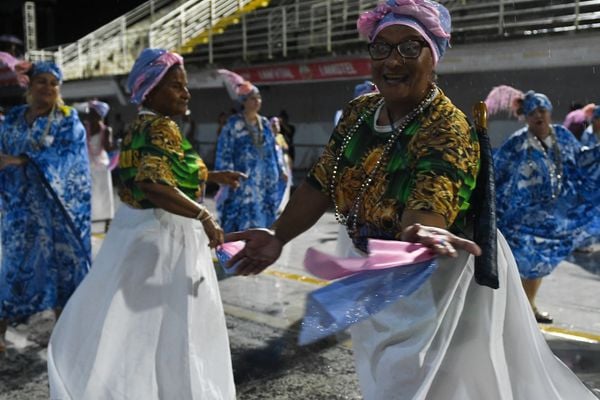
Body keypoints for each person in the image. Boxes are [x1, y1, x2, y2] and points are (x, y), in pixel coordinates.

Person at [224, 2, 598, 399]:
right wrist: (279, 235)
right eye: (381, 47)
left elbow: (430, 197)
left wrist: (421, 229)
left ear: (433, 57)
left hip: (439, 279)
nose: (392, 60)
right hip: (381, 275)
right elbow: (321, 182)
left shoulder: (447, 126)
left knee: (446, 387)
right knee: (387, 382)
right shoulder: (359, 113)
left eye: (409, 48)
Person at [47, 48, 243, 399]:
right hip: (164, 237)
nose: (186, 93)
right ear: (150, 89)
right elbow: (154, 185)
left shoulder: (144, 123)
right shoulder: (161, 127)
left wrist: (212, 175)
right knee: (176, 330)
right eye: (176, 86)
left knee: (134, 329)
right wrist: (203, 214)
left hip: (137, 231)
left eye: (185, 86)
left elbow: (161, 171)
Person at [0, 61, 91, 352]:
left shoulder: (67, 119)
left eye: (54, 83)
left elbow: (71, 158)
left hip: (58, 212)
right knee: (14, 269)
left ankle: (66, 336)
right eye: (42, 81)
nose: (49, 88)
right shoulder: (13, 118)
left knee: (65, 272)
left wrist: (23, 159)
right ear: (30, 84)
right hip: (20, 210)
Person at [492, 90, 600, 324]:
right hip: (520, 217)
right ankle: (518, 310)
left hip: (553, 216)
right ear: (526, 116)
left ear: (549, 112)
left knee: (539, 264)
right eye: (532, 111)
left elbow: (581, 160)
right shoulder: (517, 142)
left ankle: (528, 307)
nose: (538, 115)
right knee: (520, 264)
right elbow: (497, 171)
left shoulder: (562, 135)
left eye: (542, 110)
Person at [215, 69, 287, 232]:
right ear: (243, 102)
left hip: (263, 181)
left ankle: (255, 252)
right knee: (239, 221)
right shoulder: (233, 124)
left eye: (258, 97)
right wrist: (225, 175)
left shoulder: (265, 124)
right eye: (252, 98)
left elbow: (272, 148)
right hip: (242, 181)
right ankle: (235, 253)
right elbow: (224, 150)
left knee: (261, 220)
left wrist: (280, 169)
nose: (257, 101)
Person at [85, 99, 115, 231]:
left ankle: (108, 218)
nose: (89, 115)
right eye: (89, 112)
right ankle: (92, 217)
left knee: (104, 192)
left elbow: (108, 148)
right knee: (90, 192)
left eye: (92, 113)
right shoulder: (85, 128)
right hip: (88, 164)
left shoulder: (106, 130)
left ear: (100, 115)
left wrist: (113, 143)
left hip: (102, 165)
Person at [270, 116, 293, 213]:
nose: (276, 126)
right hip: (272, 165)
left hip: (282, 162)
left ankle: (280, 205)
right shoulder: (268, 137)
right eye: (274, 125)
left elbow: (286, 147)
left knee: (284, 184)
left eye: (277, 124)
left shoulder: (280, 137)